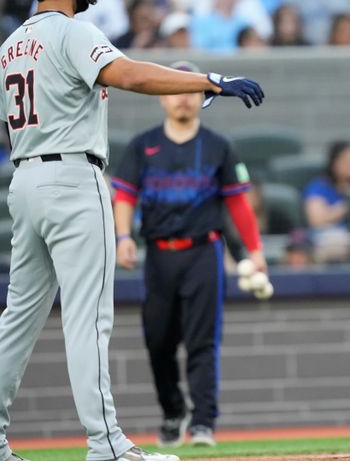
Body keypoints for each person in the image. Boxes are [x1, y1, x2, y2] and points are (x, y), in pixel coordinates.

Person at [0, 0, 264, 461]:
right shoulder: (73, 31)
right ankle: (107, 446)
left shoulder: (9, 44)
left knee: (17, 319)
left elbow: (6, 129)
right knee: (88, 318)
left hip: (26, 179)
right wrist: (209, 81)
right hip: (73, 178)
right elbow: (127, 74)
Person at [112, 60, 267, 448]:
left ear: (204, 98)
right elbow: (125, 195)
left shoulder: (218, 146)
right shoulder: (142, 145)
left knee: (202, 342)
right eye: (175, 90)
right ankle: (172, 410)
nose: (182, 97)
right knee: (158, 341)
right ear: (162, 98)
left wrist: (255, 250)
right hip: (159, 255)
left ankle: (202, 422)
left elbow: (238, 205)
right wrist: (121, 236)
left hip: (203, 252)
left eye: (191, 90)